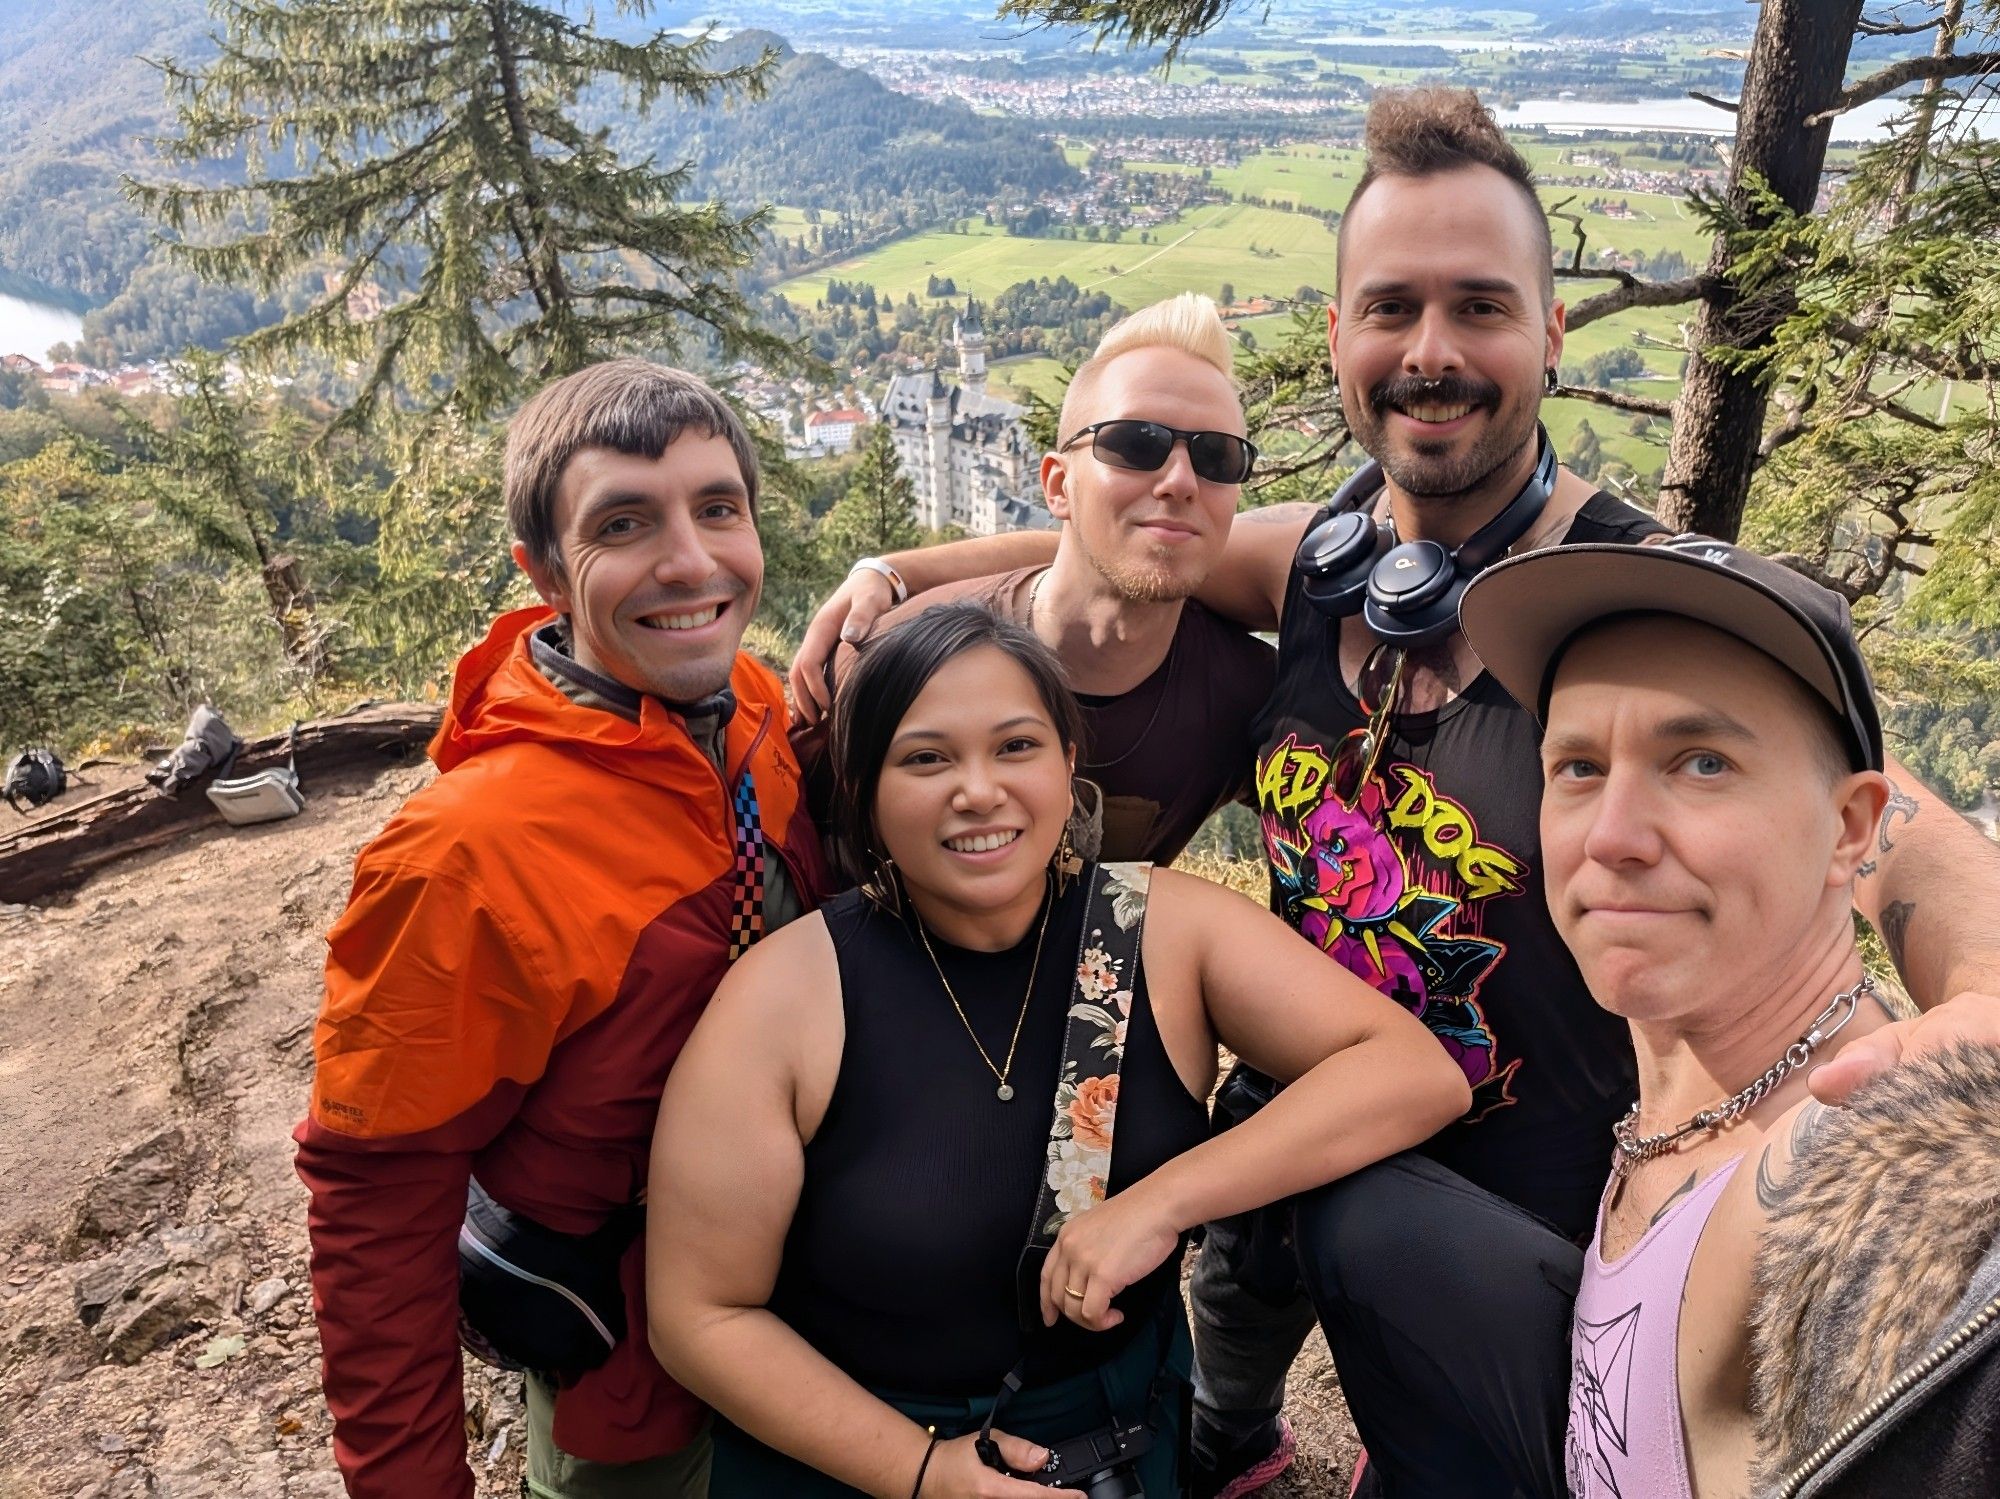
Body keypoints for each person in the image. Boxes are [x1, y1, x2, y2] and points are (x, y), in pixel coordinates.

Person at [788, 87, 2000, 1499]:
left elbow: (1892, 821)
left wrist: (1981, 998)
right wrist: (899, 574)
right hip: (1312, 1097)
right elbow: (1130, 537)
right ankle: (1240, 1436)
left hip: (1529, 1192)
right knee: (1239, 1290)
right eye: (1392, 307)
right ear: (1341, 339)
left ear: (1551, 332)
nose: (1433, 352)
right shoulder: (1320, 559)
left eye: (1481, 306)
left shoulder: (1629, 607)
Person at [646, 604, 1470, 1498]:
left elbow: (1413, 1071)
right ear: (867, 788)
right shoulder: (787, 997)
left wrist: (1159, 1202)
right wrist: (922, 1473)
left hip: (1112, 1442)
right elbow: (699, 1312)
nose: (979, 790)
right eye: (926, 758)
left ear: (1068, 761)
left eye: (1016, 747)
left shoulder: (1162, 933)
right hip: (850, 1457)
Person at [294, 360, 826, 1498]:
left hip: (809, 1300)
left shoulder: (755, 712)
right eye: (624, 523)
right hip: (627, 1382)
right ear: (540, 570)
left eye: (717, 507)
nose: (690, 560)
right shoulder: (465, 852)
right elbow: (378, 1197)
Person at [1456, 533, 2000, 1498]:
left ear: (1851, 829)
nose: (1612, 836)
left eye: (1701, 762)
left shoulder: (1853, 1162)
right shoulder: (1670, 1109)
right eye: (1577, 766)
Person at [797, 292, 1275, 868]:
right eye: (1133, 444)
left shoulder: (1251, 700)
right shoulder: (890, 660)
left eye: (1218, 457)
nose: (1180, 480)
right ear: (1057, 486)